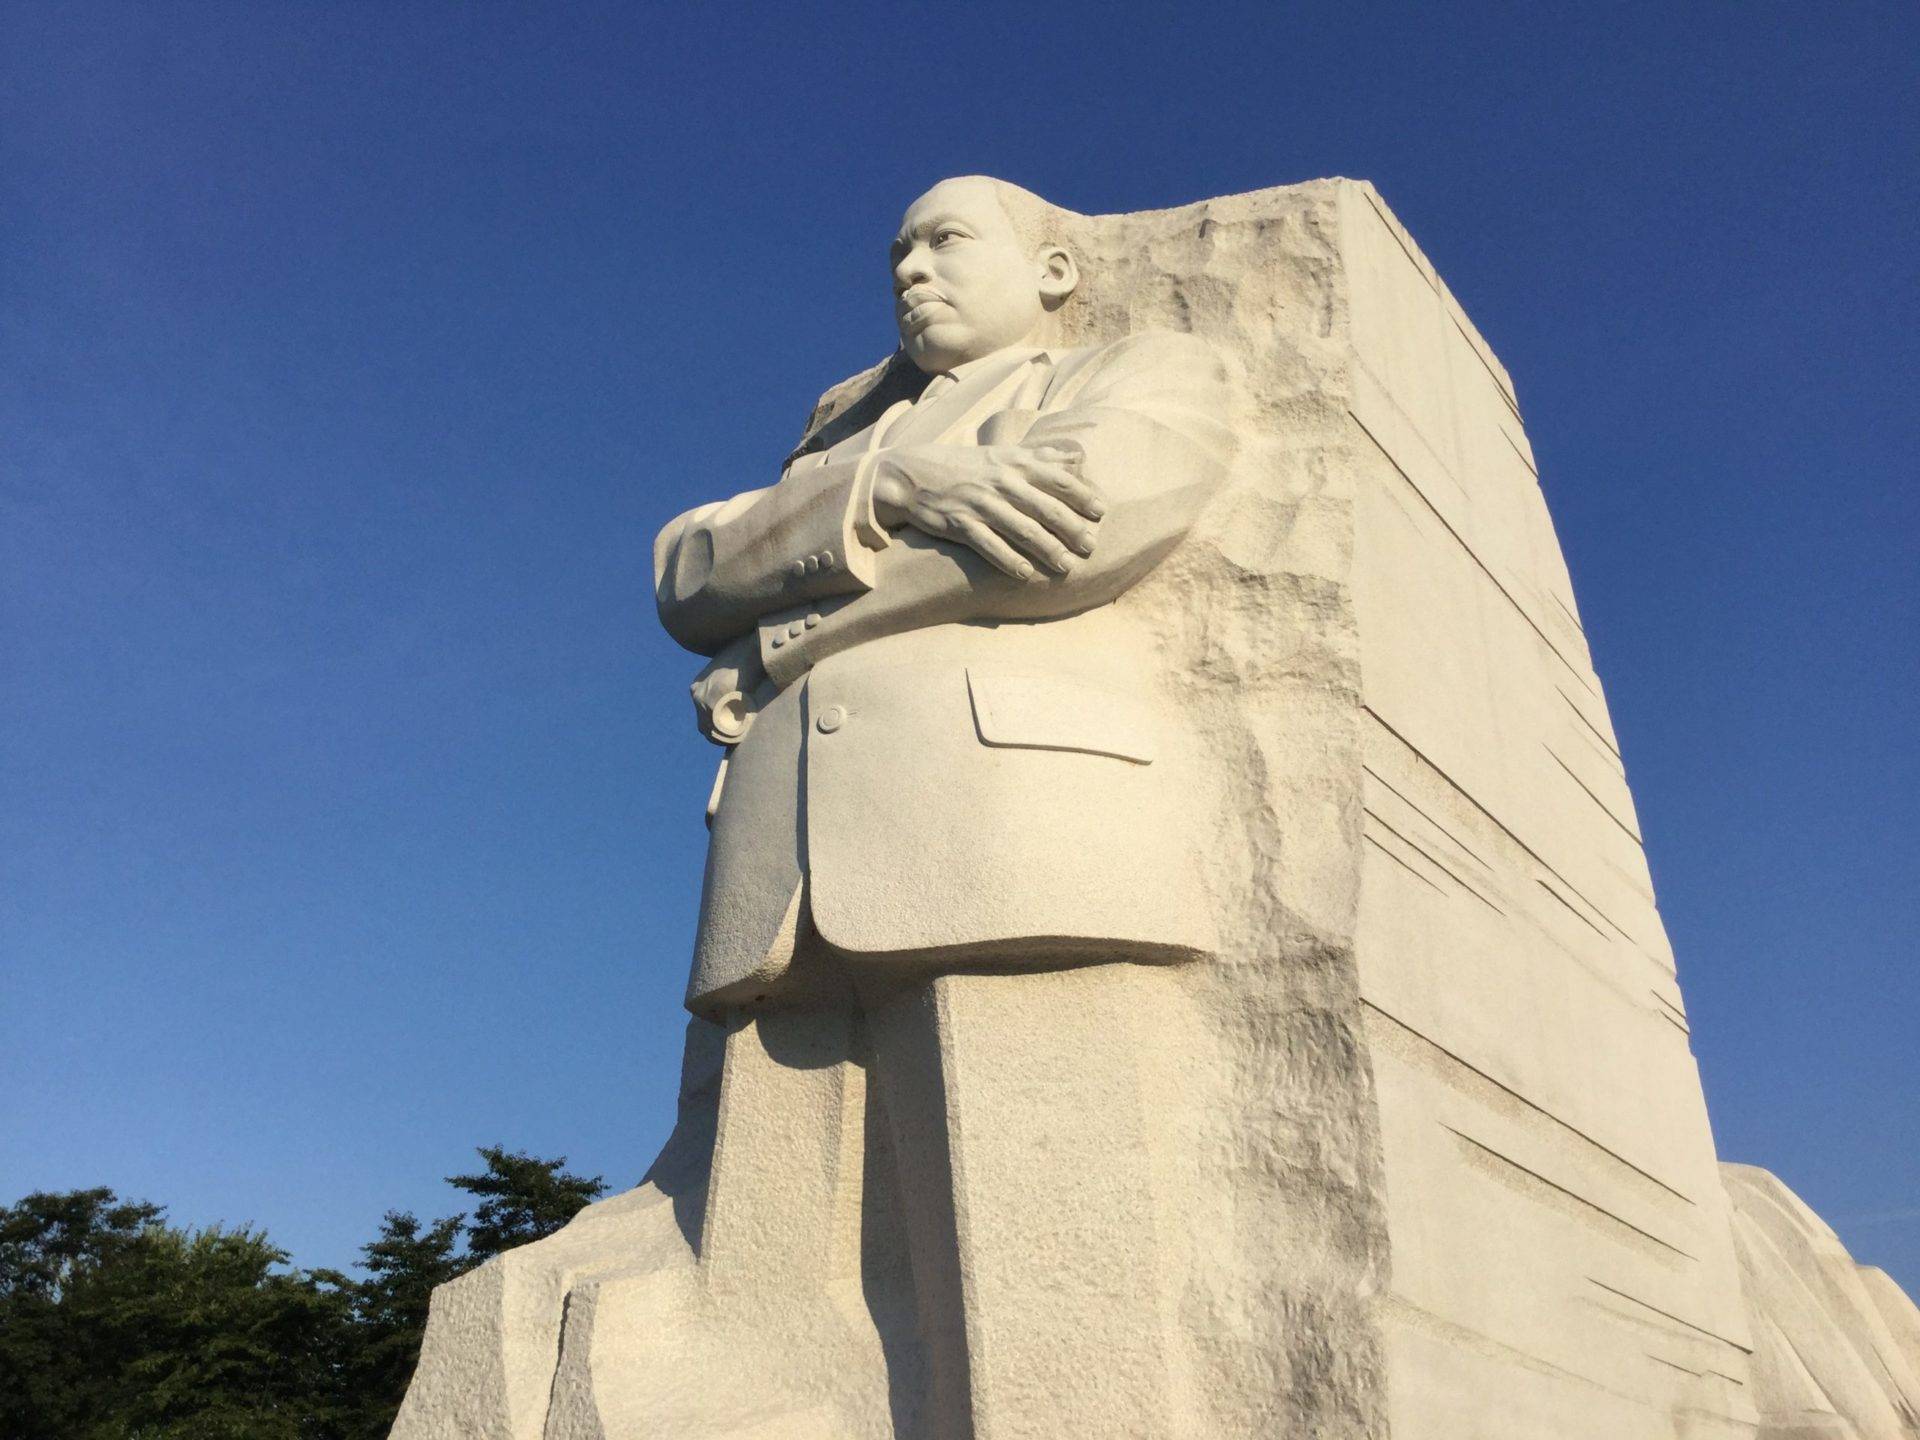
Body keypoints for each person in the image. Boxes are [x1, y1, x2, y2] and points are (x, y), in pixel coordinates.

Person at [647, 175, 1237, 1436]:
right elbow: (688, 565)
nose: (910, 270)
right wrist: (893, 489)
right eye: (898, 252)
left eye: (946, 240)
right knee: (760, 1319)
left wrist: (775, 643)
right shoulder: (852, 445)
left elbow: (1063, 539)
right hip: (781, 883)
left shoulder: (1135, 372)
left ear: (1056, 271)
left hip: (1005, 837)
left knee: (1054, 1309)